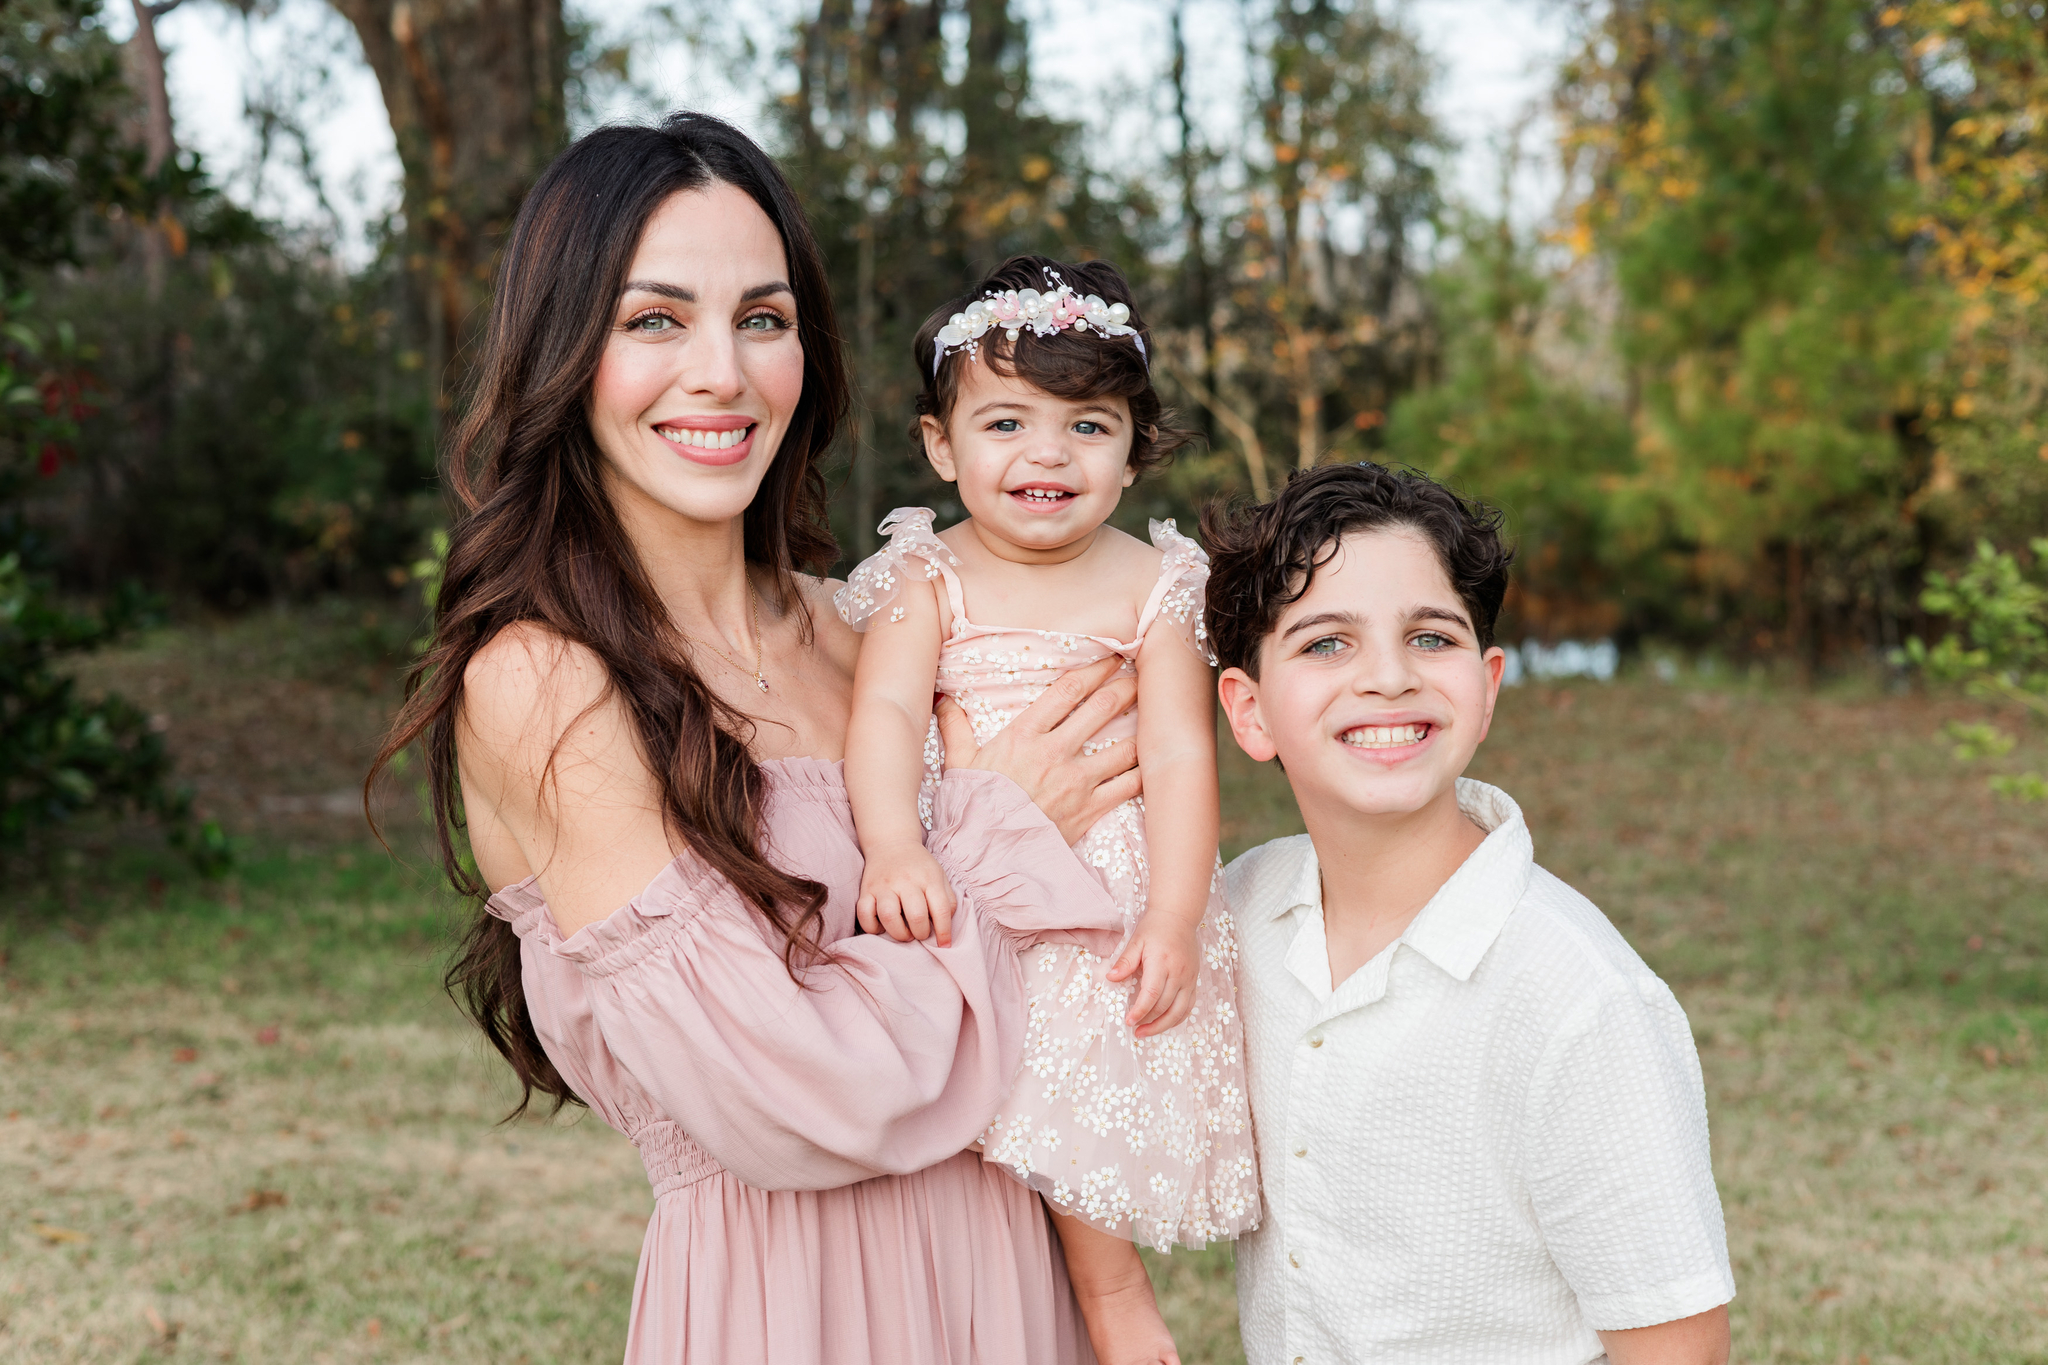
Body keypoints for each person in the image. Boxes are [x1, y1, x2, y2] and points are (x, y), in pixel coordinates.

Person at [371, 114, 1154, 1365]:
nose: (721, 376)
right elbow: (785, 1096)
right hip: (789, 1310)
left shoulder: (873, 631)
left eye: (762, 318)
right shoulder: (544, 681)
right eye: (653, 320)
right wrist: (998, 841)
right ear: (563, 353)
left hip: (1012, 1280)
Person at [1203, 463, 1736, 1365]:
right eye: (1326, 642)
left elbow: (1677, 1348)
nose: (1386, 677)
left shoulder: (1579, 998)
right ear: (1249, 712)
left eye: (1430, 636)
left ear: (1486, 687)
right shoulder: (1239, 915)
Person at [834, 255, 1259, 1365]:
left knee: (1069, 1072)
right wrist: (890, 846)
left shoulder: (1152, 584)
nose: (1045, 455)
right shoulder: (925, 577)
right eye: (1007, 422)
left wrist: (1169, 916)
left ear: (1132, 452)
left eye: (1087, 427)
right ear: (941, 446)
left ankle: (1112, 1300)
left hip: (1101, 887)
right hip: (961, 873)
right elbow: (880, 718)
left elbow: (1174, 753)